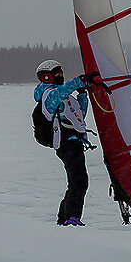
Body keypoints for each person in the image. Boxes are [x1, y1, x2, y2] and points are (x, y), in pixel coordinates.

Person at [32, 59, 99, 226]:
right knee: (79, 181)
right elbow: (61, 92)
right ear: (47, 77)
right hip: (65, 144)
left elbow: (79, 116)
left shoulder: (65, 97)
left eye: (61, 72)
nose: (61, 76)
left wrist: (82, 94)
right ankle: (71, 218)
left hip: (74, 143)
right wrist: (79, 81)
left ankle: (65, 219)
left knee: (77, 181)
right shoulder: (48, 95)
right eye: (57, 74)